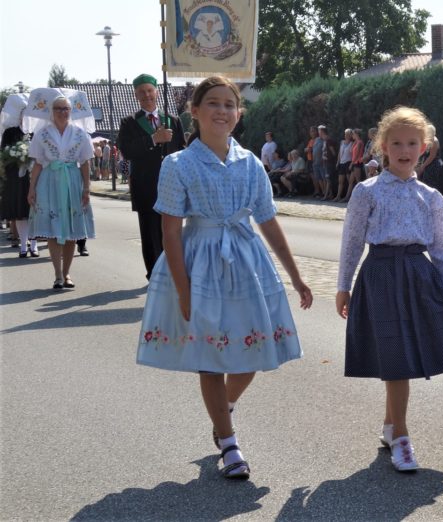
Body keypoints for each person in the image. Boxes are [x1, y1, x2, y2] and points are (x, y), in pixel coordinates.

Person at [136, 76, 313, 480]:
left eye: (229, 104)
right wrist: (183, 290)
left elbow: (267, 221)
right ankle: (230, 444)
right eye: (212, 103)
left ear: (238, 113)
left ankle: (223, 411)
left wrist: (297, 277)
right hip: (200, 264)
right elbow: (170, 230)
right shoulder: (177, 164)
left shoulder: (250, 162)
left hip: (246, 264)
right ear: (194, 112)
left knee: (250, 353)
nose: (222, 111)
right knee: (211, 360)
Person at [336, 106, 443, 472]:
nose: (404, 149)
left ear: (424, 147)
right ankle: (402, 436)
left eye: (412, 142)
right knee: (396, 360)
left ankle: (390, 427)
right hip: (380, 276)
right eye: (396, 142)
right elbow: (351, 242)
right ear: (382, 146)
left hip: (418, 277)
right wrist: (343, 285)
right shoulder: (366, 192)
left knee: (404, 357)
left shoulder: (432, 197)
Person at [118, 73, 185, 280]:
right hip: (145, 186)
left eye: (149, 90)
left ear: (156, 92)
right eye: (141, 92)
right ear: (136, 95)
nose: (146, 95)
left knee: (172, 233)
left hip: (172, 186)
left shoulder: (172, 120)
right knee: (150, 233)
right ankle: (155, 275)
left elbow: (183, 150)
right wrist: (153, 139)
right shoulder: (129, 122)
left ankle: (173, 272)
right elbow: (127, 151)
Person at [27, 96, 95, 290]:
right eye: (58, 108)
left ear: (70, 111)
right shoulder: (42, 133)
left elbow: (85, 162)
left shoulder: (80, 133)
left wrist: (87, 188)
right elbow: (38, 163)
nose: (62, 112)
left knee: (72, 230)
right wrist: (31, 188)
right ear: (51, 111)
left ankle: (67, 274)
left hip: (72, 181)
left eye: (66, 108)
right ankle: (57, 274)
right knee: (52, 229)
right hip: (49, 182)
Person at [0, 95, 38, 258]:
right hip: (17, 177)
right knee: (21, 212)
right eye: (23, 113)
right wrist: (18, 157)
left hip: (36, 176)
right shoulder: (10, 132)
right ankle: (23, 245)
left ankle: (34, 244)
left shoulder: (37, 132)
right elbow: (3, 154)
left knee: (35, 211)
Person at [342, 128, 364, 203]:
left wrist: (351, 163)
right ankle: (347, 197)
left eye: (353, 134)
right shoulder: (356, 142)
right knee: (351, 181)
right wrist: (354, 143)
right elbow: (351, 151)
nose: (352, 135)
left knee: (358, 181)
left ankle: (361, 198)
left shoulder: (360, 142)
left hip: (357, 163)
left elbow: (357, 155)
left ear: (356, 134)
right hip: (354, 163)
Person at [416, 124, 441, 189]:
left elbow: (432, 156)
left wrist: (423, 166)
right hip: (427, 164)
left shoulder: (434, 141)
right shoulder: (428, 141)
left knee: (429, 184)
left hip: (432, 166)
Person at [333, 128, 353, 202]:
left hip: (348, 162)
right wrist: (338, 162)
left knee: (349, 181)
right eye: (345, 134)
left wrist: (351, 163)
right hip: (341, 163)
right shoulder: (342, 142)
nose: (346, 135)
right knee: (340, 181)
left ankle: (349, 197)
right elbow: (339, 153)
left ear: (351, 135)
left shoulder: (352, 143)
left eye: (348, 134)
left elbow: (352, 154)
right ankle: (338, 196)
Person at [311, 125, 326, 198]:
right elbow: (314, 149)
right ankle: (323, 192)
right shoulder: (316, 139)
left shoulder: (325, 140)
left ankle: (327, 193)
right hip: (315, 162)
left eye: (319, 131)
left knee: (324, 178)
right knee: (319, 178)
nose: (318, 132)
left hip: (322, 162)